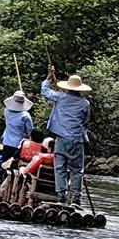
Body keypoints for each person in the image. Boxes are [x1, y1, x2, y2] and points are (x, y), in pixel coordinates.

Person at [41, 66, 91, 206]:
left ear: (68, 87)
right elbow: (84, 120)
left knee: (60, 167)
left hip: (62, 138)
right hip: (76, 139)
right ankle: (76, 197)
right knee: (77, 170)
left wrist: (49, 76)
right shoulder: (85, 103)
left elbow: (44, 91)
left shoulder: (60, 97)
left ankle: (61, 194)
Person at [0, 89, 34, 163]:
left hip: (7, 141)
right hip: (19, 144)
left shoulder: (6, 112)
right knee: (15, 164)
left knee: (5, 163)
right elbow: (29, 131)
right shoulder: (26, 116)